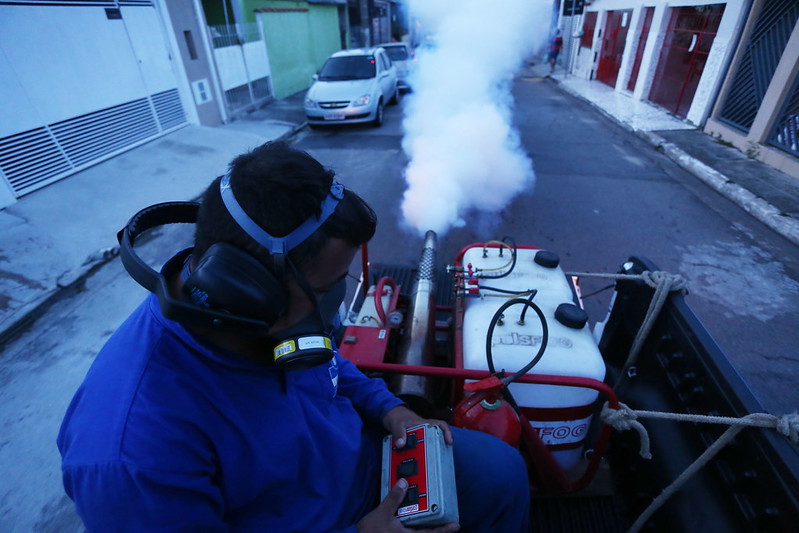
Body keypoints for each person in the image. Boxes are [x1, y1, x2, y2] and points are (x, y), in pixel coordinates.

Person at [57, 141, 530, 532]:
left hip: (363, 465)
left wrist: (393, 410)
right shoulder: (130, 455)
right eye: (326, 289)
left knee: (502, 472)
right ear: (249, 289)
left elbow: (325, 362)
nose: (336, 306)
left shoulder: (260, 324)